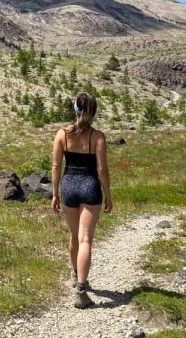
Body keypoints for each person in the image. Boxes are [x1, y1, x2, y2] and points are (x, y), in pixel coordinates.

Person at [51, 92, 112, 309]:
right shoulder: (98, 136)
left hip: (68, 184)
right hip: (90, 185)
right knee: (85, 238)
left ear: (75, 109)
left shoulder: (62, 134)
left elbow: (56, 166)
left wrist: (55, 193)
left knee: (74, 236)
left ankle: (76, 273)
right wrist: (108, 195)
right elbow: (102, 170)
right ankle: (81, 289)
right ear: (93, 112)